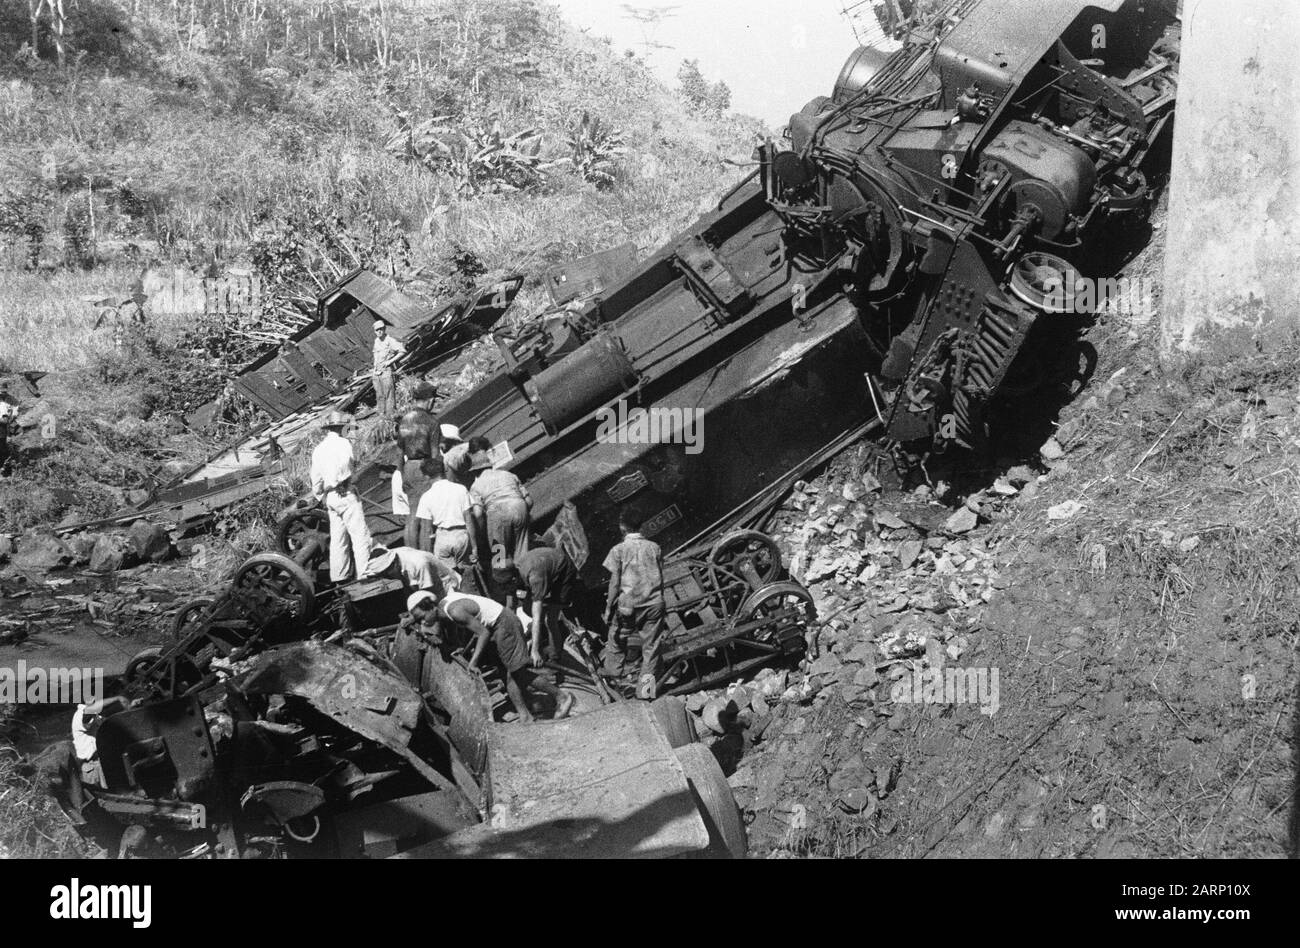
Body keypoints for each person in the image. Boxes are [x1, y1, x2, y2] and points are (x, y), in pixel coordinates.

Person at [440, 585, 575, 722]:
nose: (422, 623)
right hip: (496, 624)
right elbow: (454, 626)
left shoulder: (455, 611)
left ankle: (561, 696)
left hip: (504, 623)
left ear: (429, 608)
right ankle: (525, 714)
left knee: (516, 672)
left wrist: (473, 662)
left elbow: (483, 633)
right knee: (506, 673)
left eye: (421, 619)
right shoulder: (443, 605)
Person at [602, 510, 666, 700]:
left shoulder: (618, 550)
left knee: (616, 640)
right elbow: (661, 575)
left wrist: (608, 607)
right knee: (651, 649)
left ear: (622, 527)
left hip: (628, 606)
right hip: (653, 604)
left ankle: (611, 685)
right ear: (641, 525)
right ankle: (646, 694)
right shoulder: (655, 547)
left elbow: (614, 583)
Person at [310, 411, 373, 582]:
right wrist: (343, 480)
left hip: (330, 497)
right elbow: (349, 466)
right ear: (340, 428)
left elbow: (315, 479)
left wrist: (320, 495)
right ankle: (365, 574)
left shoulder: (318, 449)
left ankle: (339, 576)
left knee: (338, 539)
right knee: (360, 536)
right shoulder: (344, 444)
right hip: (344, 492)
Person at [468, 450, 532, 603]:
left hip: (497, 514)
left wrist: (484, 530)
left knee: (499, 558)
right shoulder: (509, 475)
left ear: (475, 471)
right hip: (519, 506)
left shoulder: (476, 485)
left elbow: (477, 514)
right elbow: (530, 501)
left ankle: (510, 597)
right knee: (522, 555)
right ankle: (527, 592)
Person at [513, 544, 580, 669]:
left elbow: (537, 617)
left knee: (550, 620)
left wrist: (534, 651)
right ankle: (539, 635)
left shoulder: (535, 578)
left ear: (514, 578)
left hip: (564, 572)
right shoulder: (518, 567)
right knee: (528, 608)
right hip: (546, 564)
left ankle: (555, 657)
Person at [414, 455, 478, 578]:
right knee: (468, 575)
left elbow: (426, 530)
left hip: (443, 537)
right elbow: (469, 520)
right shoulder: (460, 489)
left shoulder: (426, 497)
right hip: (461, 535)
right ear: (444, 471)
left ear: (427, 476)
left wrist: (426, 556)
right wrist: (474, 547)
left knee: (448, 578)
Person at [393, 381, 440, 548]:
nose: (434, 402)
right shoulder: (431, 422)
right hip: (424, 467)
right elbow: (435, 454)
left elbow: (399, 452)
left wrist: (401, 474)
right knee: (426, 517)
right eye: (433, 398)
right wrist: (437, 477)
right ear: (428, 399)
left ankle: (411, 552)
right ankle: (427, 554)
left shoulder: (405, 421)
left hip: (409, 467)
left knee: (412, 515)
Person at [372, 320, 406, 419]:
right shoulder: (376, 341)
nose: (379, 332)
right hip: (376, 372)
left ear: (384, 329)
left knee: (389, 394)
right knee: (379, 394)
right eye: (377, 330)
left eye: (381, 329)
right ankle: (382, 415)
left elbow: (402, 351)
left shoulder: (390, 340)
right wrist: (374, 366)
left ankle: (390, 416)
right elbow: (375, 352)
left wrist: (390, 362)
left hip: (386, 371)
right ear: (374, 331)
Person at [0, 383, 16, 475]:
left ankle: (4, 469)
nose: (2, 393)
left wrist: (10, 417)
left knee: (3, 447)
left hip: (4, 427)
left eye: (4, 392)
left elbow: (11, 415)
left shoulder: (10, 400)